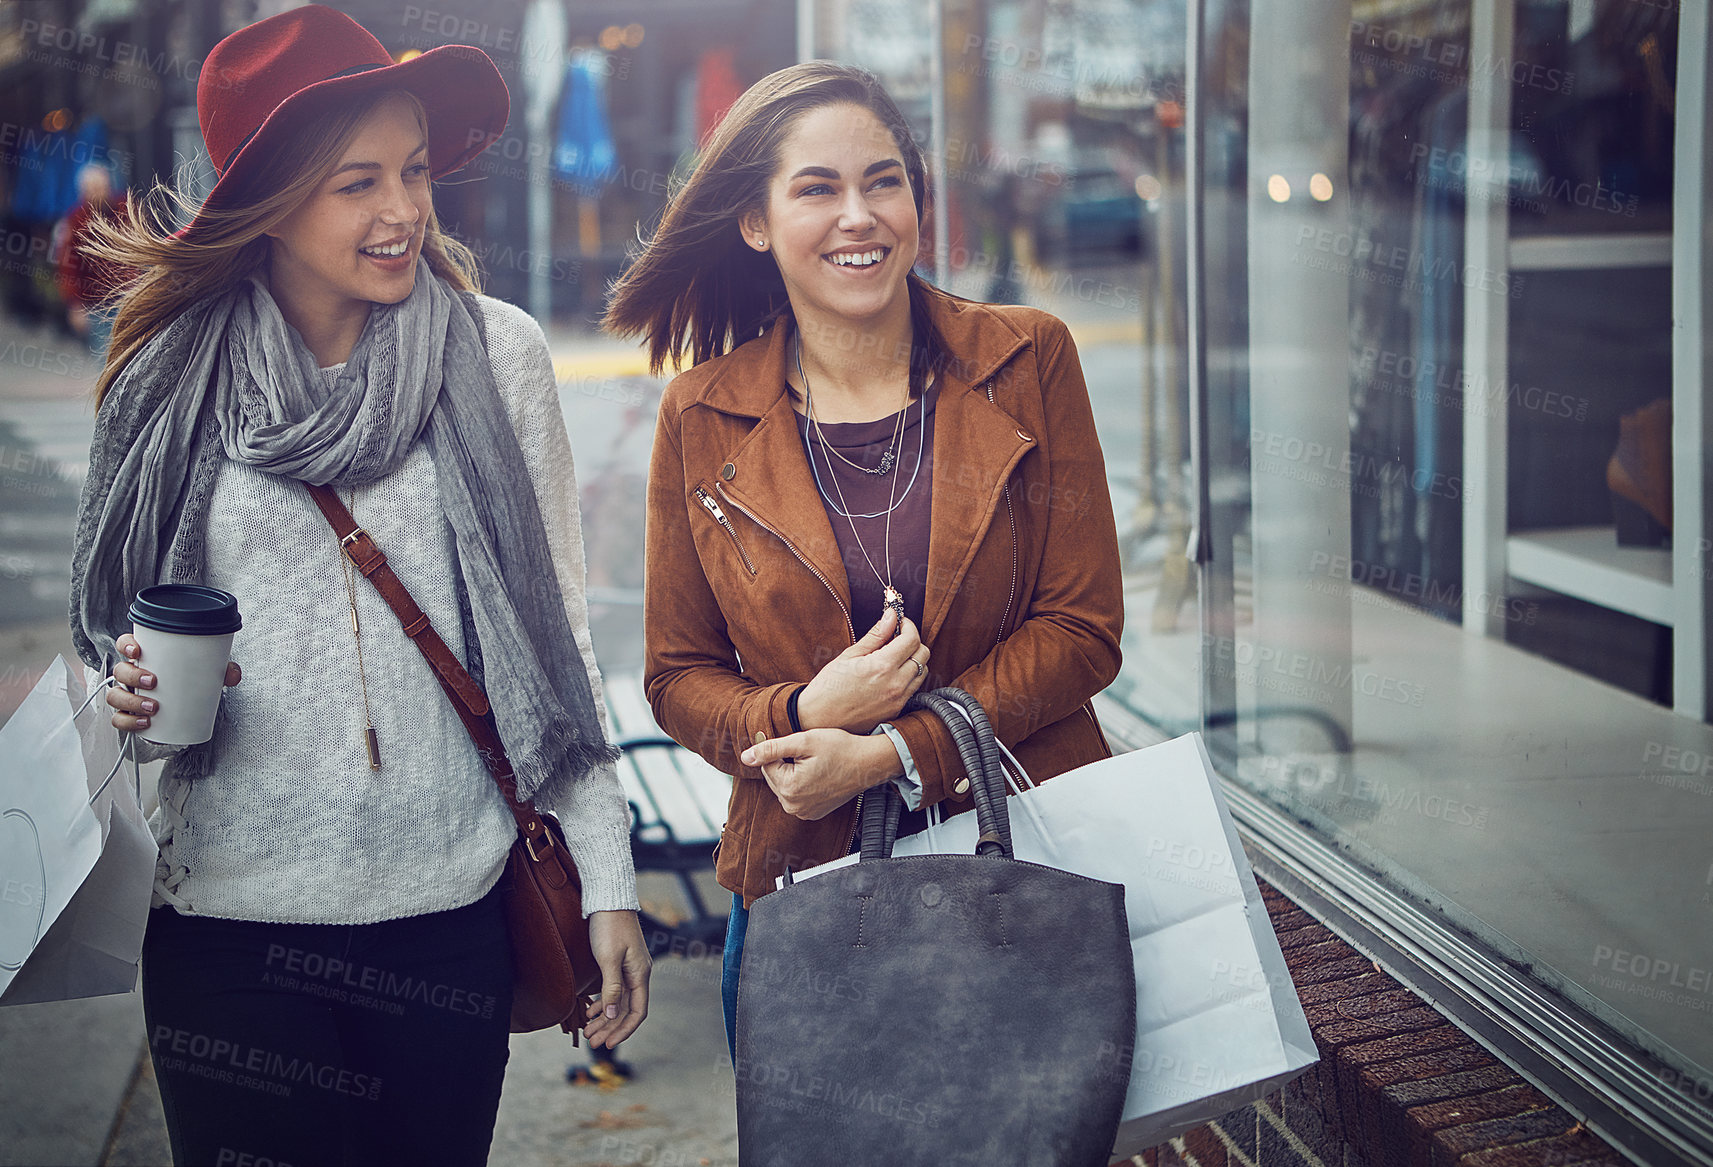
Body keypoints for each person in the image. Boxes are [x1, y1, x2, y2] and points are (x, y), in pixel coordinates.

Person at [67, 8, 650, 1164]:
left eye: (417, 171)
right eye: (357, 183)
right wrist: (121, 698)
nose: (404, 212)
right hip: (227, 930)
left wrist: (608, 880)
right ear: (268, 201)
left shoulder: (496, 357)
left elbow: (555, 643)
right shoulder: (165, 377)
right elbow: (108, 636)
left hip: (449, 926)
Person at [603, 61, 1124, 1060]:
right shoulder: (700, 412)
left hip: (1023, 861)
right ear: (755, 223)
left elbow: (1082, 630)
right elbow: (677, 677)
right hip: (806, 886)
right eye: (817, 189)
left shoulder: (1028, 361)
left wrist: (892, 755)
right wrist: (799, 718)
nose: (860, 216)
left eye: (884, 182)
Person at [56, 161, 128, 356]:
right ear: (83, 193)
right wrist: (75, 306)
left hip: (127, 297)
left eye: (103, 187)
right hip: (96, 303)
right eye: (93, 189)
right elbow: (67, 266)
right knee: (103, 357)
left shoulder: (124, 209)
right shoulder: (75, 220)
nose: (99, 193)